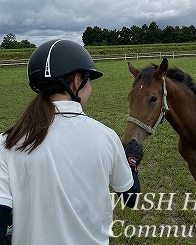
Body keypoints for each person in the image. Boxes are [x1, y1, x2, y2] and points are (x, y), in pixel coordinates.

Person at [0, 39, 143, 245]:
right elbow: (131, 198)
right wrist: (131, 163)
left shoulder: (7, 142)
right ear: (77, 81)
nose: (90, 87)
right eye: (89, 80)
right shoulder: (105, 136)